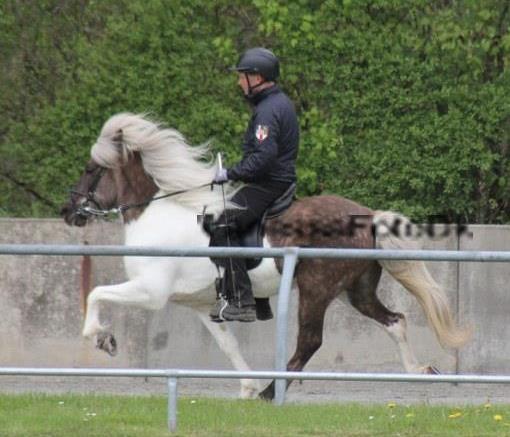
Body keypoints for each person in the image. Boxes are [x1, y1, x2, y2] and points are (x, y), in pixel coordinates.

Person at [209, 47, 299, 323]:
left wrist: (230, 173)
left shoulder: (267, 110)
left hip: (268, 184)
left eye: (242, 77)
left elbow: (263, 158)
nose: (239, 82)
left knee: (222, 226)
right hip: (274, 181)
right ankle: (260, 300)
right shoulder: (276, 103)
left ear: (256, 78)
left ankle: (242, 300)